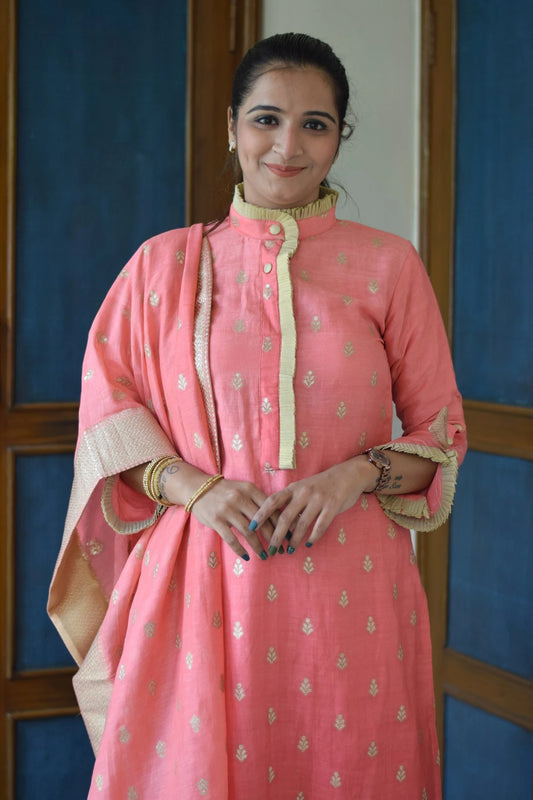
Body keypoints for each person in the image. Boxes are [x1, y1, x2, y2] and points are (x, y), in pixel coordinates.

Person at [48, 32, 466, 800]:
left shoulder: (388, 266)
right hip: (201, 581)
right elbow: (109, 424)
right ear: (234, 127)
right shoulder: (160, 266)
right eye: (266, 119)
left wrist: (352, 475)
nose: (287, 144)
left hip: (353, 590)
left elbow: (440, 435)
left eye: (315, 123)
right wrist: (193, 487)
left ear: (339, 136)